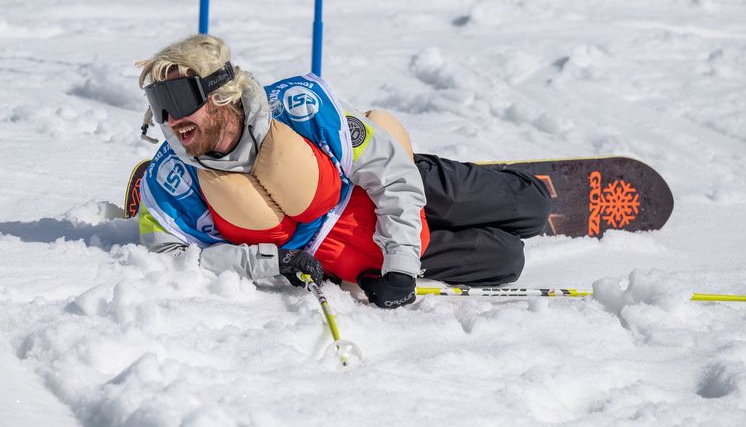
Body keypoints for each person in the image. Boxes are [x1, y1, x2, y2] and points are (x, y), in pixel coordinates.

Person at [136, 35, 551, 308]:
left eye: (177, 98)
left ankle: (472, 181)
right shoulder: (170, 184)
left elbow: (391, 175)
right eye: (159, 105)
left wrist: (402, 261)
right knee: (506, 259)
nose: (170, 119)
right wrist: (270, 262)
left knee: (533, 205)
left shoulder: (300, 108)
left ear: (221, 94)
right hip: (347, 255)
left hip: (388, 187)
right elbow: (178, 261)